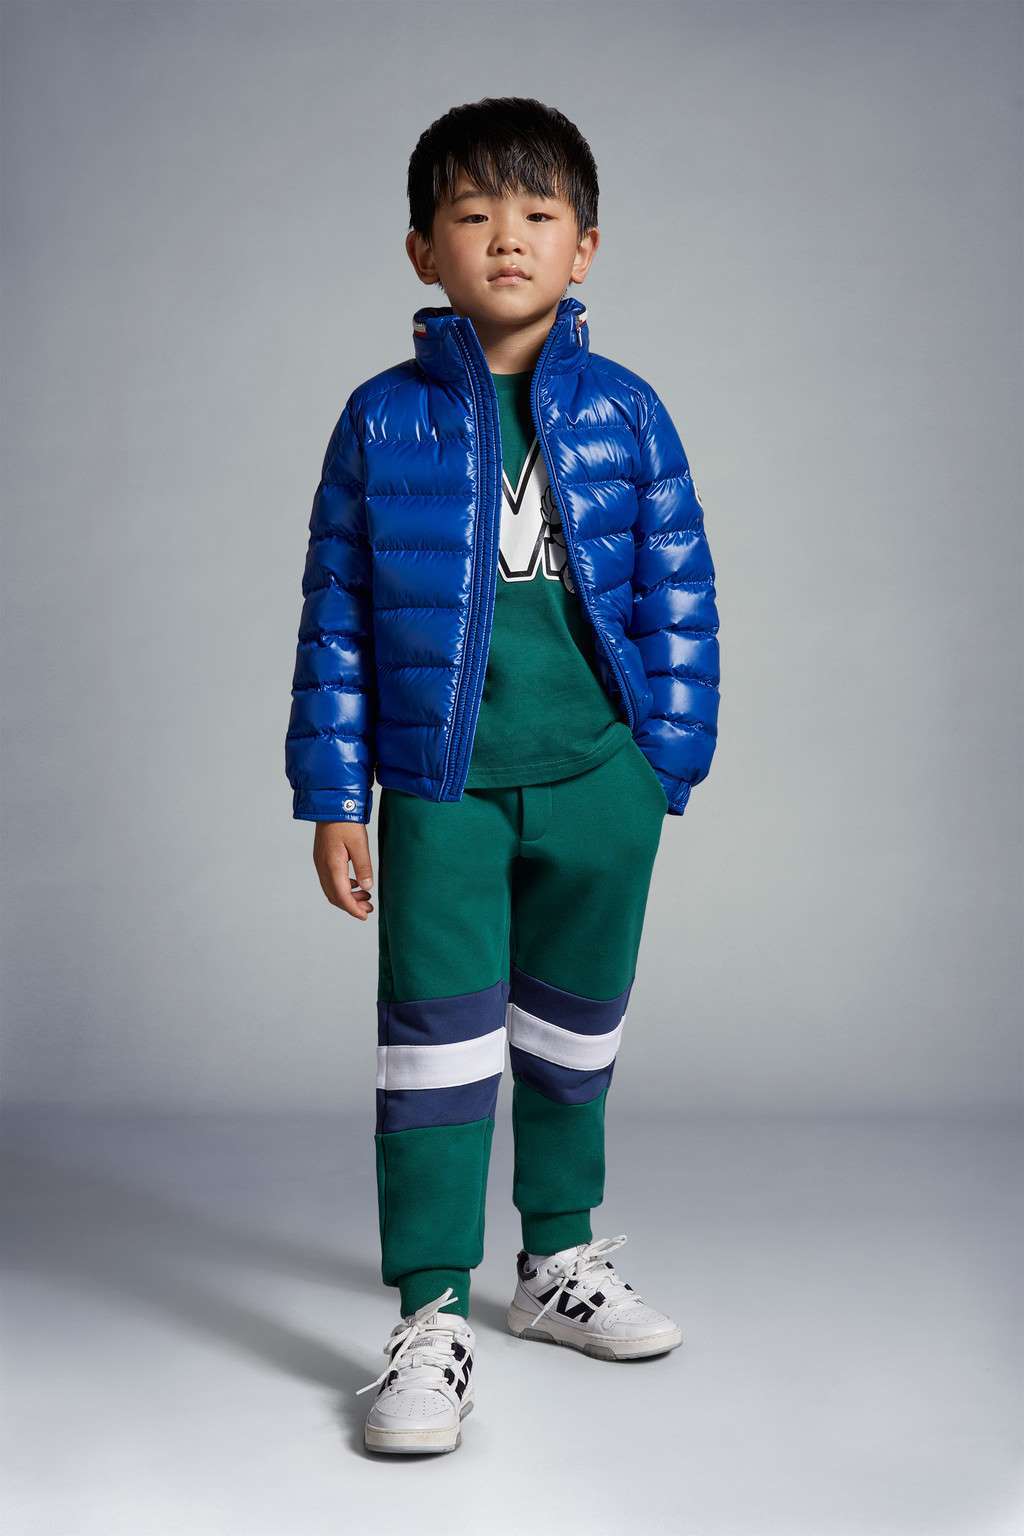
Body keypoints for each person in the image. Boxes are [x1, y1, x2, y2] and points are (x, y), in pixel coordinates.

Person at [285, 96, 721, 1456]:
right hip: (441, 788)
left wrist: (664, 762)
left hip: (600, 779)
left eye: (539, 215)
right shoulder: (381, 422)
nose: (508, 238)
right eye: (474, 215)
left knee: (575, 1038)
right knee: (435, 1054)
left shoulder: (629, 411)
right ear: (425, 252)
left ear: (584, 247)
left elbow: (682, 592)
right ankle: (430, 1317)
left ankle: (556, 1261)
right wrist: (333, 796)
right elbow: (336, 616)